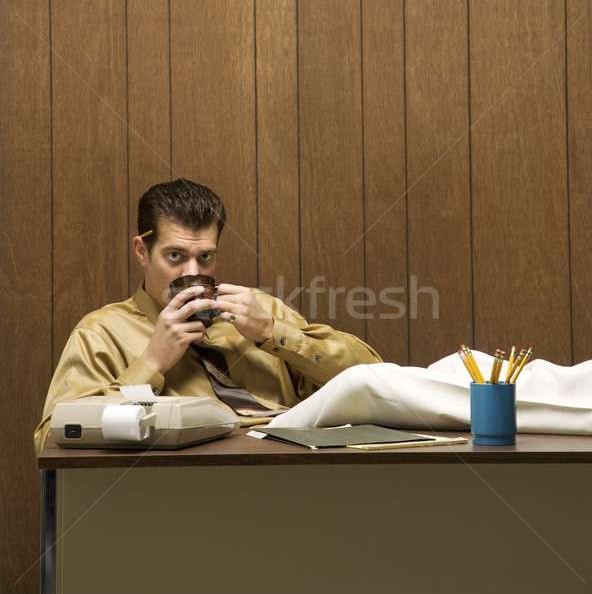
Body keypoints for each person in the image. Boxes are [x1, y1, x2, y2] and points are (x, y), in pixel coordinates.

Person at [34, 179, 382, 455]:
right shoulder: (101, 332)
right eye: (175, 256)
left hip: (289, 476)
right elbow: (53, 439)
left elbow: (371, 378)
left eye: (205, 258)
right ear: (142, 251)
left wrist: (273, 333)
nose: (192, 272)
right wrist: (151, 362)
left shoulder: (259, 310)